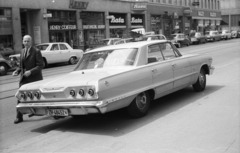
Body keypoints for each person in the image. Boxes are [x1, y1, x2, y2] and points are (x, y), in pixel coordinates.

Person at [12, 35, 44, 124]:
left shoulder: (36, 51)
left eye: (28, 41)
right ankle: (19, 116)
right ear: (22, 42)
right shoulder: (22, 51)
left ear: (31, 42)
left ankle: (44, 111)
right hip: (24, 78)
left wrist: (30, 71)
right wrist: (17, 71)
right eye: (25, 41)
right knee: (19, 96)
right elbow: (21, 66)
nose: (26, 43)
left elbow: (41, 65)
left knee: (37, 97)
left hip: (34, 78)